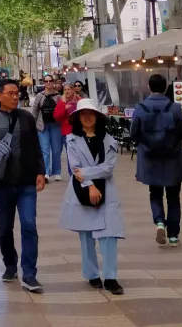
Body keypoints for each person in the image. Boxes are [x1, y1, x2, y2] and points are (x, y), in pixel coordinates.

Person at [0, 79, 46, 292]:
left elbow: (34, 146)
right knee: (5, 229)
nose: (16, 97)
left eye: (17, 93)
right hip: (2, 183)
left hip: (26, 182)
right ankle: (10, 264)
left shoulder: (27, 118)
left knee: (29, 226)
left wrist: (41, 171)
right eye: (11, 93)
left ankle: (30, 273)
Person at [59, 99, 125, 295]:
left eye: (91, 113)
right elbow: (74, 167)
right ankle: (92, 274)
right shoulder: (72, 139)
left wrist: (85, 175)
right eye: (83, 114)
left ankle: (111, 277)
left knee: (109, 235)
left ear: (97, 116)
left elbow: (108, 168)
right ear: (78, 118)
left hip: (108, 192)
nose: (87, 117)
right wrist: (89, 186)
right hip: (81, 191)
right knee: (86, 237)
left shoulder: (109, 140)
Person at [130, 74, 182, 247]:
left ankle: (159, 222)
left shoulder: (141, 108)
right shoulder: (175, 107)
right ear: (165, 88)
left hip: (150, 158)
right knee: (173, 197)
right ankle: (173, 235)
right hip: (172, 158)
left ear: (149, 87)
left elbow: (134, 134)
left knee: (155, 193)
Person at [31, 74, 62, 184]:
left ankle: (57, 171)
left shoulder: (58, 96)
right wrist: (32, 125)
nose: (48, 83)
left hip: (56, 126)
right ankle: (46, 173)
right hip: (42, 126)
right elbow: (34, 111)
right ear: (44, 83)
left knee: (56, 150)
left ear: (53, 82)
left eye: (50, 81)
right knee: (45, 150)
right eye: (46, 81)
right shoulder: (40, 96)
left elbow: (61, 111)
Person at [53, 84, 80, 181]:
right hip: (67, 132)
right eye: (65, 90)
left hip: (79, 131)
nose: (67, 91)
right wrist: (64, 109)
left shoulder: (79, 100)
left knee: (78, 153)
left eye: (69, 89)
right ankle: (71, 174)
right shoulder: (62, 102)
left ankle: (78, 172)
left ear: (73, 90)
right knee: (70, 154)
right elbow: (56, 116)